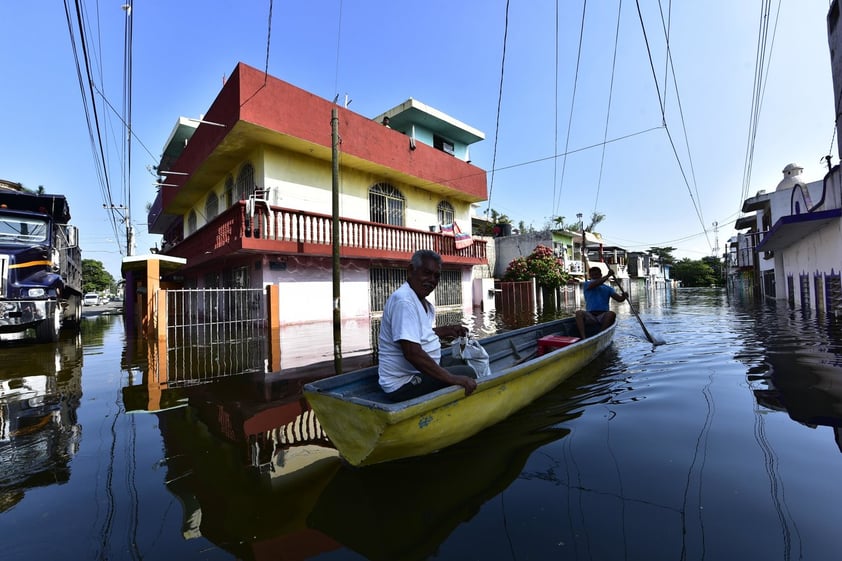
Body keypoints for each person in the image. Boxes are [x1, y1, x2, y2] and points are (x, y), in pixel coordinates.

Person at [378, 249, 478, 401]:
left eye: (436, 276)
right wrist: (452, 378)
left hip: (416, 372)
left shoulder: (419, 300)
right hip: (403, 383)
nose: (432, 280)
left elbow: (417, 334)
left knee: (459, 361)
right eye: (426, 273)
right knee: (468, 372)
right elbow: (412, 353)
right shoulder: (404, 301)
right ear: (411, 271)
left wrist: (447, 330)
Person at [575, 266, 627, 339]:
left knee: (611, 314)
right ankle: (583, 337)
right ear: (590, 276)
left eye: (596, 275)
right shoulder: (587, 285)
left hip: (603, 316)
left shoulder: (608, 288)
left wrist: (624, 296)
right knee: (578, 313)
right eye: (592, 275)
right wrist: (608, 275)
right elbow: (595, 284)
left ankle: (600, 335)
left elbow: (619, 299)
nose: (594, 277)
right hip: (590, 315)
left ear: (600, 275)